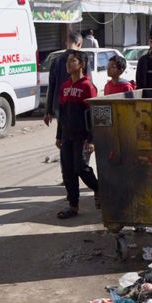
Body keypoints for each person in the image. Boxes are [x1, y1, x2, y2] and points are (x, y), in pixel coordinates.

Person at [55, 51, 99, 219]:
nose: (68, 64)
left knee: (79, 167)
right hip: (67, 135)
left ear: (81, 65)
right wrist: (59, 135)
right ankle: (73, 206)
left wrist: (92, 139)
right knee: (67, 171)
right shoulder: (65, 86)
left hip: (82, 136)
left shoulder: (88, 86)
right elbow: (62, 114)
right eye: (67, 61)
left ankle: (98, 188)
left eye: (72, 61)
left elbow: (93, 115)